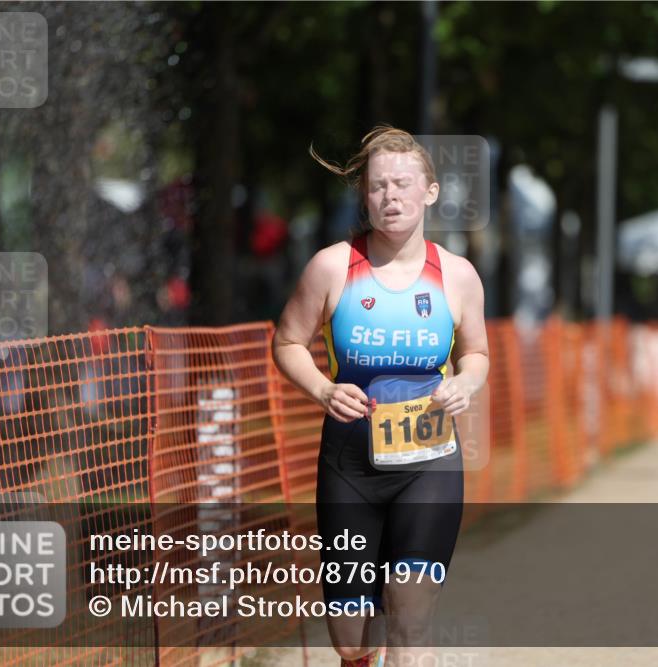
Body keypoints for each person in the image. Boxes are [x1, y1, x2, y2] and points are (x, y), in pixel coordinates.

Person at [272, 126, 489, 666]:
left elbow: (477, 354)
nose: (390, 197)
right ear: (364, 196)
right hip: (349, 466)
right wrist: (323, 388)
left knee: (410, 617)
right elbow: (287, 342)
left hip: (429, 462)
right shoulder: (331, 267)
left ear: (430, 192)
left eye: (402, 184)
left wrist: (465, 382)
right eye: (377, 187)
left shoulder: (457, 276)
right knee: (351, 639)